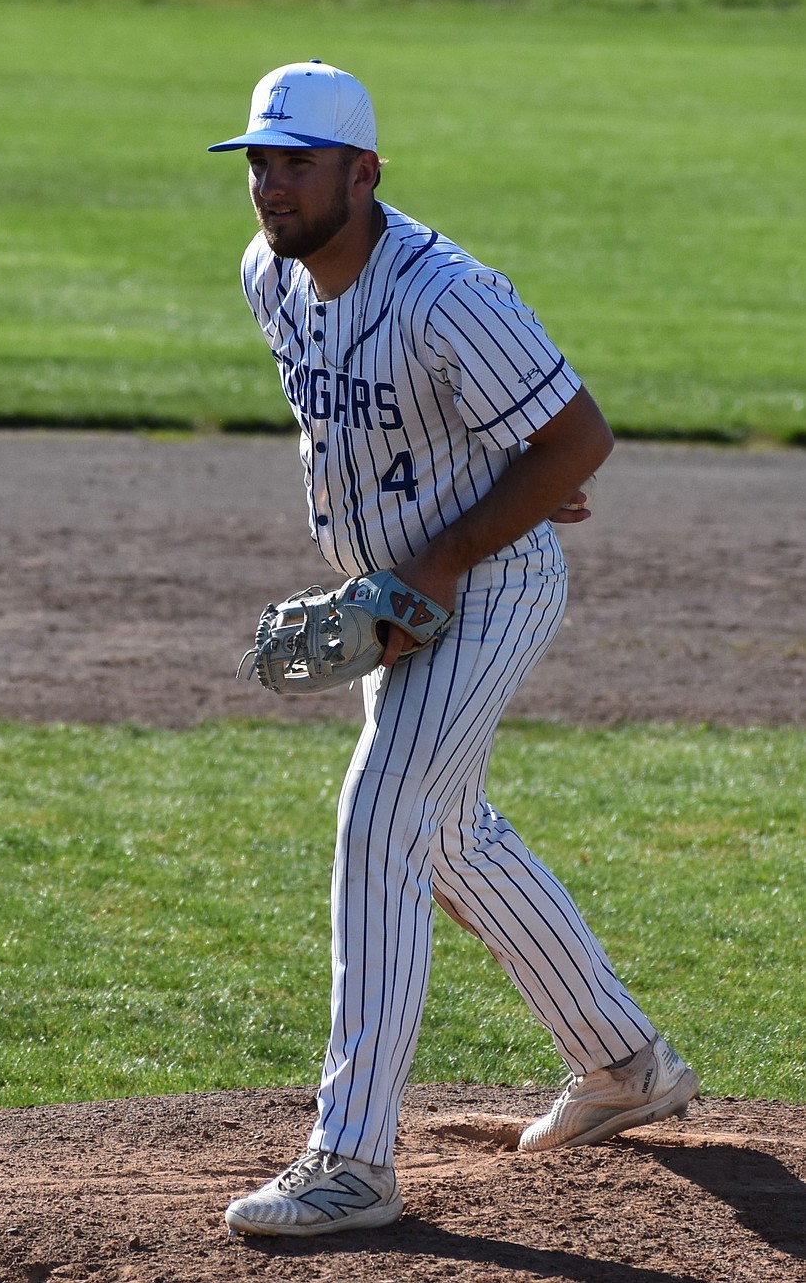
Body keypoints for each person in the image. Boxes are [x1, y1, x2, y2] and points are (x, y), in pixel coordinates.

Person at [208, 60, 699, 1239]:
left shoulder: (445, 293)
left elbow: (579, 435)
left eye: (298, 160)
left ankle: (351, 1157)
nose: (272, 184)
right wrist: (479, 501)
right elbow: (392, 428)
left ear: (364, 173)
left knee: (382, 817)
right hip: (398, 597)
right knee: (451, 836)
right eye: (258, 161)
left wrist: (477, 529)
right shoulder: (269, 276)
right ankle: (626, 1062)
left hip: (490, 587)